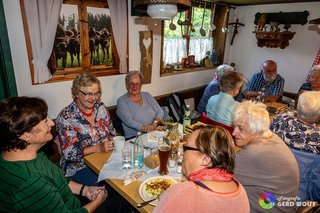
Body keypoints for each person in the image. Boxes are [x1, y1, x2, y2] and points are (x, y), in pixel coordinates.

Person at [0, 96, 107, 212]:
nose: (51, 123)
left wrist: (85, 190)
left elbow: (57, 180)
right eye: (45, 120)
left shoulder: (29, 154)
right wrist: (97, 201)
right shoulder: (31, 182)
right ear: (23, 135)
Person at [154, 126, 250, 213]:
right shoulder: (241, 191)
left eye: (185, 148)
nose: (182, 153)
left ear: (206, 159)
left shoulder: (181, 194)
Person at [232, 101, 299, 213]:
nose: (234, 133)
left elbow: (221, 175)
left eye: (241, 129)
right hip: (284, 204)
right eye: (234, 127)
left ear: (257, 131)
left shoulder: (253, 153)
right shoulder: (271, 137)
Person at [56, 72, 116, 185]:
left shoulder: (100, 107)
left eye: (96, 93)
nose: (93, 98)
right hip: (80, 167)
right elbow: (69, 154)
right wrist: (97, 148)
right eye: (88, 94)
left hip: (105, 159)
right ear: (76, 93)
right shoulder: (66, 116)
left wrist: (114, 142)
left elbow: (112, 132)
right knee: (108, 185)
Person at [117, 71, 164, 139]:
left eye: (137, 83)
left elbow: (160, 111)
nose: (134, 86)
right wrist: (149, 129)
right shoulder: (122, 101)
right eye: (131, 83)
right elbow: (130, 122)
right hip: (136, 138)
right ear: (127, 84)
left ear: (141, 85)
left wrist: (154, 124)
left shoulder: (147, 95)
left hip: (154, 131)